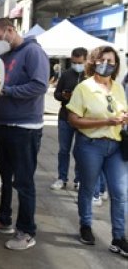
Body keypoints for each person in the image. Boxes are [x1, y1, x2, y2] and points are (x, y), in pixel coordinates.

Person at [0, 18, 49, 251]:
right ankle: (4, 218)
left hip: (25, 128)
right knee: (1, 176)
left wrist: (7, 91)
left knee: (23, 182)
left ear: (10, 30)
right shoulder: (5, 56)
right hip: (3, 124)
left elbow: (39, 85)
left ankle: (26, 230)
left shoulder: (33, 52)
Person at [66, 46, 128, 257]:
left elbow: (122, 109)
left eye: (111, 62)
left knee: (120, 192)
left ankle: (119, 237)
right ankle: (86, 225)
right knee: (89, 188)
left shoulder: (118, 88)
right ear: (93, 62)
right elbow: (73, 120)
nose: (107, 65)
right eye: (103, 60)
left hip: (116, 146)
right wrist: (106, 121)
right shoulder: (84, 87)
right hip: (91, 145)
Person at [51, 47, 87, 190]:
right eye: (74, 62)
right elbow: (56, 93)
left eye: (79, 62)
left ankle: (78, 179)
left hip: (82, 119)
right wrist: (64, 96)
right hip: (65, 116)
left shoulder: (89, 76)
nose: (76, 65)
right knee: (63, 150)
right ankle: (62, 178)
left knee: (80, 150)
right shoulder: (66, 75)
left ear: (85, 60)